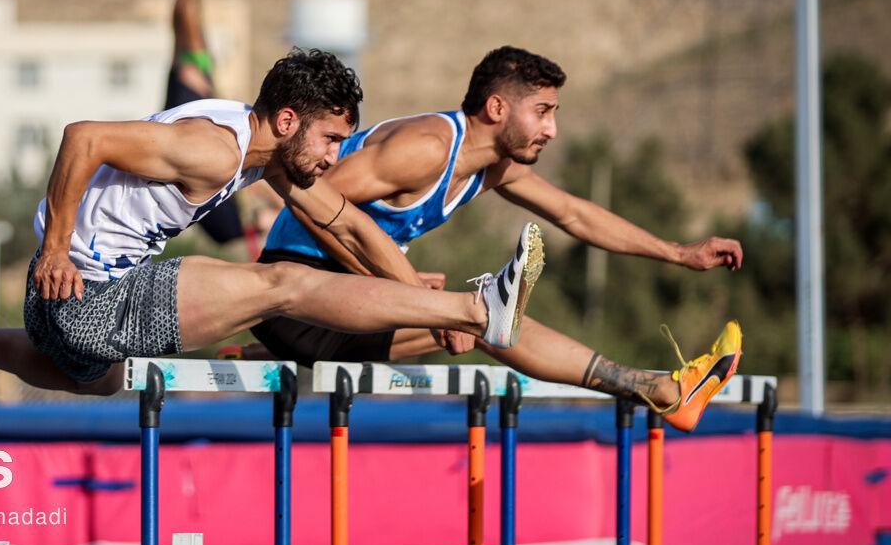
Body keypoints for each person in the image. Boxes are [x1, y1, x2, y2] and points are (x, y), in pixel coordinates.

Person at [0, 49, 545, 397]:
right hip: (83, 294)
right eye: (330, 139)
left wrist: (414, 292)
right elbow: (83, 137)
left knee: (104, 380)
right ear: (287, 120)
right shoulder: (214, 149)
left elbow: (346, 225)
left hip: (60, 314)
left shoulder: (266, 155)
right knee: (283, 284)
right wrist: (56, 250)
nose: (334, 157)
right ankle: (479, 307)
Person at [233, 46, 742, 431]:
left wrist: (679, 252)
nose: (552, 129)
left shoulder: (491, 167)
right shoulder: (425, 148)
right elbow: (313, 205)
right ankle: (659, 389)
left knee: (489, 319)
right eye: (542, 111)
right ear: (497, 108)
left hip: (341, 308)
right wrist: (402, 286)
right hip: (297, 298)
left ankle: (661, 390)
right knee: (480, 317)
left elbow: (575, 215)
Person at [162, 0, 251, 251]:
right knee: (186, 24)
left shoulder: (230, 226)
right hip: (195, 94)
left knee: (185, 24)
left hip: (192, 94)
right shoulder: (230, 225)